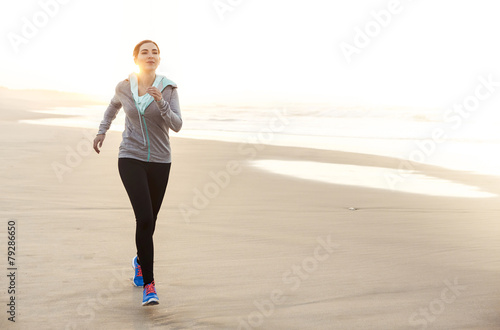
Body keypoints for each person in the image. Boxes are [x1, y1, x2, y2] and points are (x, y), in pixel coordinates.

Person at [93, 40, 182, 306]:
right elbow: (112, 107)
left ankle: (139, 260)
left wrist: (161, 103)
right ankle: (150, 285)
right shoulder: (124, 86)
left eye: (155, 52)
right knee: (143, 219)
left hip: (160, 161)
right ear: (136, 58)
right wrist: (102, 130)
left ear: (159, 58)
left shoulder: (168, 88)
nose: (150, 55)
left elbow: (177, 125)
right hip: (130, 157)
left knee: (150, 222)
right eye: (145, 52)